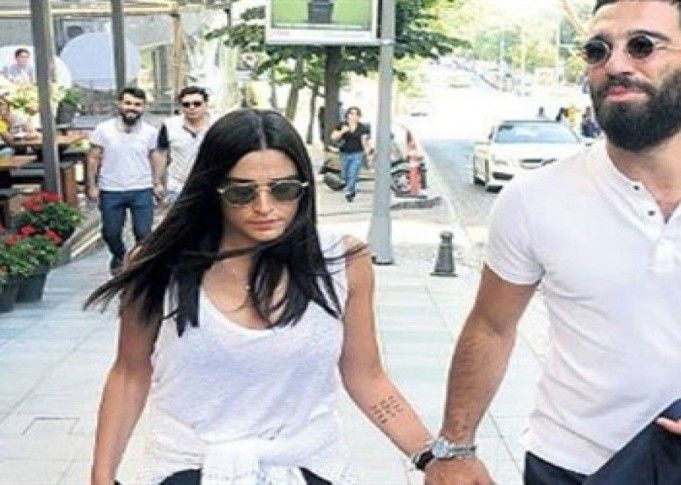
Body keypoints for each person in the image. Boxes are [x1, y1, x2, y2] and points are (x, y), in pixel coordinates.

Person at [425, 1, 681, 484]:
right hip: (570, 468)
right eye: (597, 50)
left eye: (642, 46)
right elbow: (491, 326)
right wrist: (454, 446)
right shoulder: (533, 197)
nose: (616, 64)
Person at [85, 109, 434, 485]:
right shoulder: (159, 264)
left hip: (308, 467)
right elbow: (130, 372)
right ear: (212, 189)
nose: (265, 207)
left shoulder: (342, 261)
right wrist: (102, 475)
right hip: (188, 467)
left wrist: (432, 457)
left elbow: (366, 376)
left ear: (304, 188)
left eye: (283, 190)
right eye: (241, 192)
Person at [86, 87, 163, 276]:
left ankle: (137, 265)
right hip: (111, 189)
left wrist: (157, 182)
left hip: (141, 188)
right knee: (110, 233)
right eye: (128, 103)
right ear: (119, 104)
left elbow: (156, 157)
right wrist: (92, 185)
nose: (132, 108)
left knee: (143, 233)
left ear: (143, 107)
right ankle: (120, 255)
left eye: (137, 104)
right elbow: (93, 158)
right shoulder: (103, 129)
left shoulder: (150, 132)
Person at [154, 86, 212, 204]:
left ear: (205, 105)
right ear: (181, 106)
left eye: (197, 104)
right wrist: (157, 183)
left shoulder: (216, 125)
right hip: (176, 188)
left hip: (208, 187)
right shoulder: (169, 125)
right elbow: (161, 154)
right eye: (186, 104)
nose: (192, 107)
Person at [330, 106, 373, 202]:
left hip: (357, 154)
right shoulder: (342, 125)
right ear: (347, 115)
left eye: (356, 114)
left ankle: (349, 192)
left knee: (353, 173)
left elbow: (364, 141)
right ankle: (351, 190)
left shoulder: (362, 128)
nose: (353, 116)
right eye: (351, 113)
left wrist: (368, 154)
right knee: (344, 175)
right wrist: (342, 131)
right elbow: (333, 137)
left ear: (359, 116)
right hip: (344, 153)